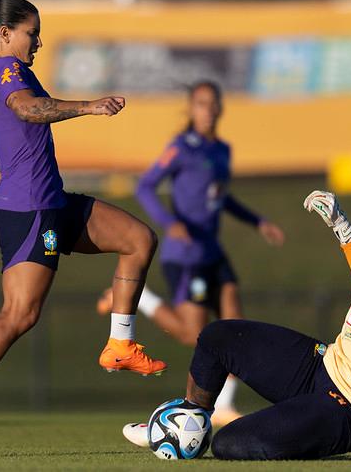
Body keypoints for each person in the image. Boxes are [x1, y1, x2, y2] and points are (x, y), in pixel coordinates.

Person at [0, 0, 167, 458]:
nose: (38, 40)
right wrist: (89, 107)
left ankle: (120, 342)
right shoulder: (7, 71)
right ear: (5, 33)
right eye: (32, 32)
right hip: (31, 210)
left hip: (51, 201)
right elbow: (27, 110)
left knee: (138, 239)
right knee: (19, 314)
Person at [123, 164, 351, 460]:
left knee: (230, 444)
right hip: (322, 367)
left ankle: (289, 434)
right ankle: (185, 423)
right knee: (218, 337)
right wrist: (341, 226)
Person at [96, 81, 285, 426]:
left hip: (213, 253)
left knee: (238, 330)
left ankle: (224, 406)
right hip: (186, 256)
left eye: (213, 103)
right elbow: (146, 185)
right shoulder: (182, 147)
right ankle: (140, 300)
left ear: (221, 108)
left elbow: (220, 196)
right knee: (192, 333)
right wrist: (171, 222)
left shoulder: (222, 149)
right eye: (201, 103)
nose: (208, 110)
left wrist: (257, 222)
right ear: (191, 108)